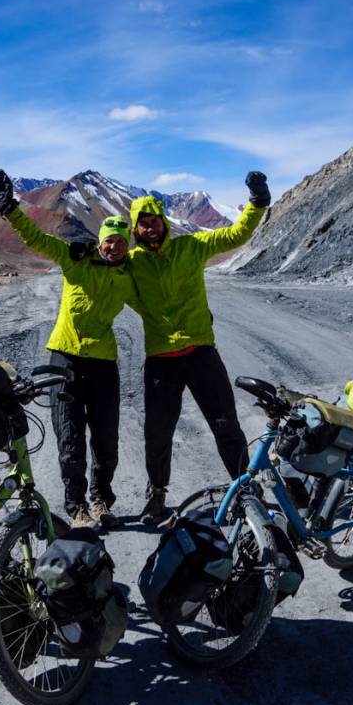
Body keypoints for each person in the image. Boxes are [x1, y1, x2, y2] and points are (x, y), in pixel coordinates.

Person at [0, 169, 135, 530]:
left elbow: (154, 302)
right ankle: (76, 506)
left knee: (106, 439)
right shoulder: (75, 259)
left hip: (103, 361)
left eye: (120, 240)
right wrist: (9, 208)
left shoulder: (129, 275)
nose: (114, 245)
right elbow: (36, 239)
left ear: (126, 243)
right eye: (109, 239)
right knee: (70, 437)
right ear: (100, 240)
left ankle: (102, 500)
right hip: (65, 357)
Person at [127, 172, 272, 524]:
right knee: (158, 433)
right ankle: (157, 494)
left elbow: (236, 234)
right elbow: (99, 275)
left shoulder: (191, 247)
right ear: (136, 229)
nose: (151, 228)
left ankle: (246, 489)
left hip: (201, 354)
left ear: (163, 223)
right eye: (143, 224)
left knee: (226, 424)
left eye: (155, 221)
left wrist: (257, 204)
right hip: (161, 360)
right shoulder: (131, 264)